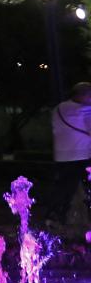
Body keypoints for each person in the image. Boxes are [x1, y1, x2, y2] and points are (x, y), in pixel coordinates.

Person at [49, 81, 91, 224]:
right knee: (82, 188)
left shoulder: (59, 108)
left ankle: (55, 217)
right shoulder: (86, 110)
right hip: (82, 156)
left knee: (64, 189)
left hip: (61, 156)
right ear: (82, 95)